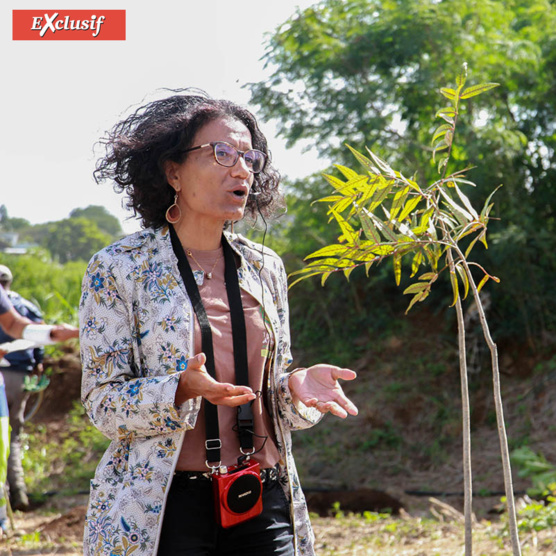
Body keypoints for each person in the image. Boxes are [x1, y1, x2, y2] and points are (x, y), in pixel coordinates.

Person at [80, 93, 359, 556]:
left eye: (250, 158)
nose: (242, 170)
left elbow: (270, 395)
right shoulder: (118, 268)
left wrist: (295, 387)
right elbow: (102, 403)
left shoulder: (265, 266)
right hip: (163, 508)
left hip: (263, 496)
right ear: (173, 171)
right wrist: (180, 388)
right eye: (222, 154)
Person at [0, 275, 78, 532]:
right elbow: (33, 346)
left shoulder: (10, 306)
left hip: (5, 377)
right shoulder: (25, 304)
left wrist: (52, 334)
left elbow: (15, 324)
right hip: (20, 376)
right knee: (13, 437)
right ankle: (17, 497)